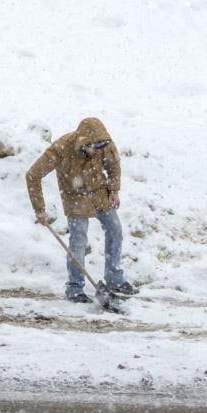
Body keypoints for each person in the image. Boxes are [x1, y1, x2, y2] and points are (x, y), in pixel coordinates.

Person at [26, 117, 138, 302]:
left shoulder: (104, 144)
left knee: (115, 231)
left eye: (101, 147)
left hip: (99, 192)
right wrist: (40, 209)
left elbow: (114, 165)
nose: (98, 151)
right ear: (83, 142)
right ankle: (75, 289)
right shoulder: (61, 148)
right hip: (75, 196)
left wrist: (114, 190)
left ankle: (114, 279)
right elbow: (32, 175)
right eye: (94, 147)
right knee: (78, 241)